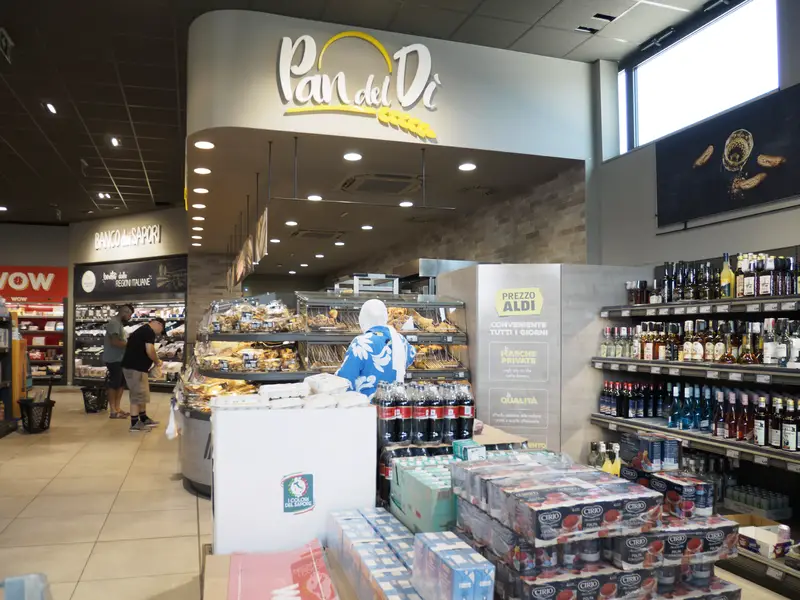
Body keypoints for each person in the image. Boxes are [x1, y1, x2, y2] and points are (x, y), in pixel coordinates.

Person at [336, 299, 416, 400]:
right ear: (385, 318)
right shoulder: (400, 340)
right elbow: (411, 356)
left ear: (362, 319)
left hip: (368, 404)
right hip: (394, 402)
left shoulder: (361, 342)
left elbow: (346, 378)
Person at [121, 318, 165, 432]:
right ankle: (135, 423)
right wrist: (157, 361)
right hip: (135, 368)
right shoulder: (148, 331)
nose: (159, 333)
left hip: (137, 368)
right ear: (158, 324)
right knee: (137, 395)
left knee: (142, 394)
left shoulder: (144, 330)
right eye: (161, 330)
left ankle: (144, 418)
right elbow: (150, 350)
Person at [103, 304, 133, 419]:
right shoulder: (114, 323)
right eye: (129, 315)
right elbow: (115, 342)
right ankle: (113, 410)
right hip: (113, 359)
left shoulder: (118, 323)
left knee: (121, 383)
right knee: (114, 384)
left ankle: (117, 408)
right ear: (125, 312)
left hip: (120, 358)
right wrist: (131, 345)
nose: (130, 318)